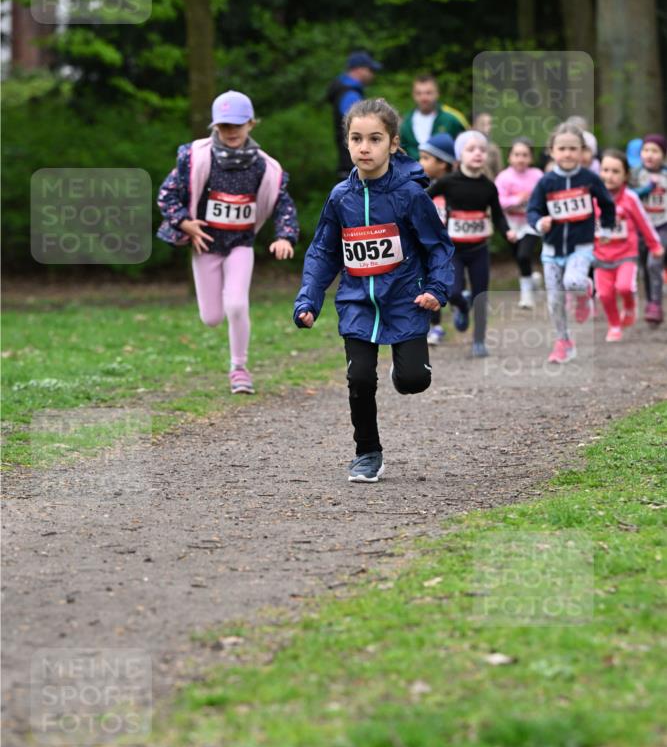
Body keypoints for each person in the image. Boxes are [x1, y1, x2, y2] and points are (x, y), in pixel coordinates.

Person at [293, 97, 455, 483]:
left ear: (393, 144)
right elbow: (322, 252)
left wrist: (436, 289)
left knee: (415, 380)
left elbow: (439, 247)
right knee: (361, 379)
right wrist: (309, 299)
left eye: (375, 139)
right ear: (347, 143)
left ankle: (407, 368)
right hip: (356, 302)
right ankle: (367, 452)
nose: (364, 148)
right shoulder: (340, 197)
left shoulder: (410, 195)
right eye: (356, 139)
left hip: (405, 300)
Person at [157, 90, 299, 395]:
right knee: (211, 318)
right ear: (214, 127)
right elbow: (165, 195)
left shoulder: (264, 167)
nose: (231, 132)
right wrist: (184, 222)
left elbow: (282, 203)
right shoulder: (195, 158)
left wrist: (285, 236)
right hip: (205, 244)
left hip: (240, 244)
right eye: (224, 126)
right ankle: (223, 323)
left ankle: (239, 368)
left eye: (237, 125)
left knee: (236, 304)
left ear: (251, 124)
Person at [526, 123, 615, 364]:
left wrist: (606, 228)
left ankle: (585, 291)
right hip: (552, 251)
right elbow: (532, 209)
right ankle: (563, 342)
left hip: (581, 248)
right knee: (555, 301)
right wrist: (539, 223)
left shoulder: (589, 179)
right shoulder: (546, 182)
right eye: (562, 148)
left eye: (573, 149)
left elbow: (607, 204)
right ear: (552, 151)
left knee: (573, 281)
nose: (567, 154)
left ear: (582, 152)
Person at [428, 130, 517, 358]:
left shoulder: (489, 186)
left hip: (479, 249)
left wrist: (507, 231)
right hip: (454, 250)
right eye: (471, 149)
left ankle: (479, 341)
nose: (477, 153)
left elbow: (498, 215)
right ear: (460, 156)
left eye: (482, 150)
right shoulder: (448, 182)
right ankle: (460, 303)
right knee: (452, 290)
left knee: (481, 295)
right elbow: (424, 198)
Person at [593, 149, 662, 342]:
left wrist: (654, 244)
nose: (609, 176)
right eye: (605, 170)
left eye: (615, 171)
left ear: (625, 176)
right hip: (601, 256)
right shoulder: (592, 197)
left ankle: (630, 306)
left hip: (626, 254)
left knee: (624, 287)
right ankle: (614, 325)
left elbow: (643, 223)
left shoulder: (630, 198)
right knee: (605, 295)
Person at [495, 138, 544, 308]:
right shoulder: (503, 177)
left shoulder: (537, 175)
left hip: (530, 223)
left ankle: (526, 296)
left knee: (524, 255)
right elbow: (497, 202)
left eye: (525, 155)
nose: (520, 159)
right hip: (511, 224)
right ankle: (533, 279)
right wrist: (517, 199)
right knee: (519, 258)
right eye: (517, 154)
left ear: (530, 158)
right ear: (510, 157)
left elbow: (544, 198)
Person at [418, 133, 456, 345]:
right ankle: (431, 325)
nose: (420, 162)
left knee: (447, 283)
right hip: (427, 246)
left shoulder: (454, 188)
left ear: (442, 163)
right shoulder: (418, 186)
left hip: (451, 247)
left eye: (425, 158)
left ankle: (456, 306)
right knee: (428, 283)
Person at [327, 50, 382, 179]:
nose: (372, 75)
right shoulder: (350, 94)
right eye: (370, 70)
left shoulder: (345, 90)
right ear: (359, 70)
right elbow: (363, 126)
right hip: (353, 166)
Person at [630, 133, 667, 324]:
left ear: (663, 155)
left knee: (655, 263)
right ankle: (651, 301)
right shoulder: (636, 174)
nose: (650, 155)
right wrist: (646, 189)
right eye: (646, 150)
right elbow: (629, 195)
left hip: (662, 225)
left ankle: (656, 304)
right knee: (644, 266)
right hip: (641, 227)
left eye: (655, 151)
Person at [399, 74, 467, 161]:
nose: (423, 98)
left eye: (428, 93)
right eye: (419, 93)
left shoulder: (452, 119)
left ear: (437, 93)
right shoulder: (405, 122)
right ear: (413, 95)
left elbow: (466, 148)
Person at [472, 112, 503, 179]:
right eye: (483, 123)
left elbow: (499, 173)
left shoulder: (494, 149)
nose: (488, 127)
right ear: (475, 125)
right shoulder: (467, 146)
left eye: (489, 123)